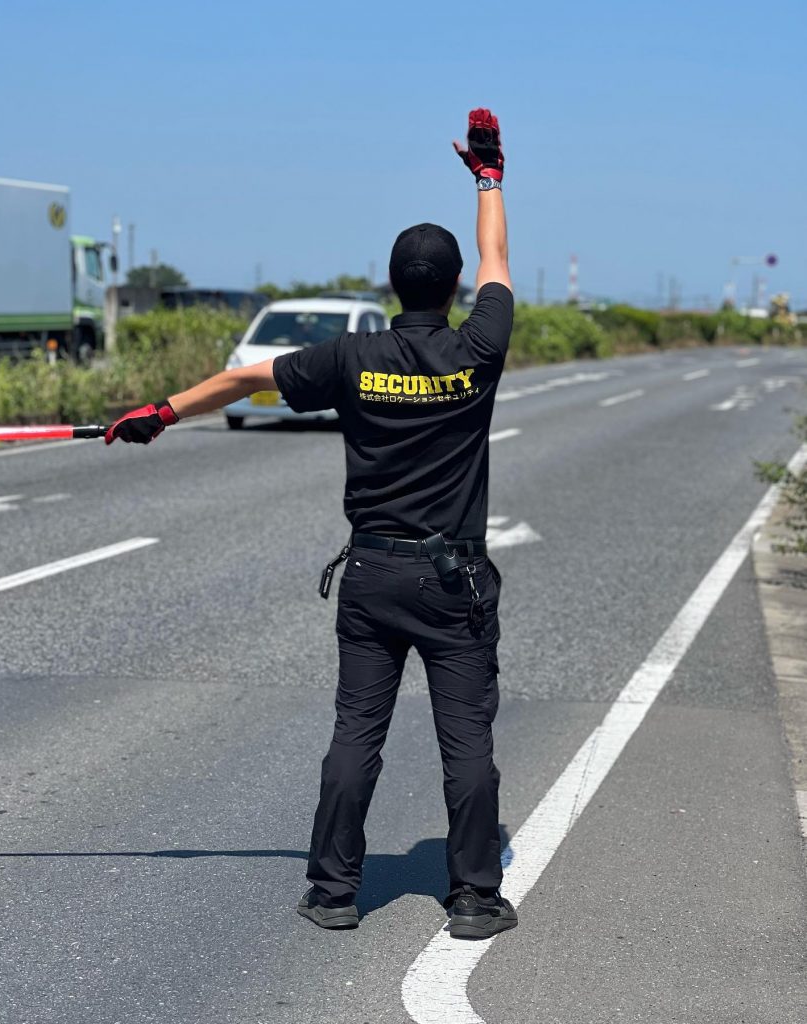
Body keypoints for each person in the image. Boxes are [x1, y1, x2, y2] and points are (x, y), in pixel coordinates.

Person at [106, 108, 517, 940]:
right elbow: (498, 260)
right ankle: (473, 896)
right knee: (465, 741)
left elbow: (242, 380)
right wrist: (488, 179)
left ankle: (333, 892)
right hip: (454, 581)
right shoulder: (479, 346)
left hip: (370, 576)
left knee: (353, 737)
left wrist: (160, 412)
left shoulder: (352, 356)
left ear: (393, 283)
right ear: (449, 289)